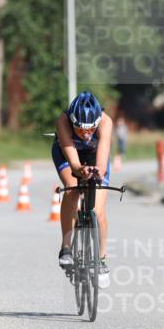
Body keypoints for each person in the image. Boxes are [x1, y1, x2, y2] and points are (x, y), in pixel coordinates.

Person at [53, 91, 112, 284]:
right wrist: (80, 170)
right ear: (72, 121)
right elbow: (75, 166)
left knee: (99, 210)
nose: (85, 134)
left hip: (95, 154)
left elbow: (102, 164)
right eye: (79, 129)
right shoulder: (63, 122)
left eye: (90, 130)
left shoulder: (106, 122)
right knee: (72, 188)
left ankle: (102, 259)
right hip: (68, 153)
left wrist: (98, 171)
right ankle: (67, 247)